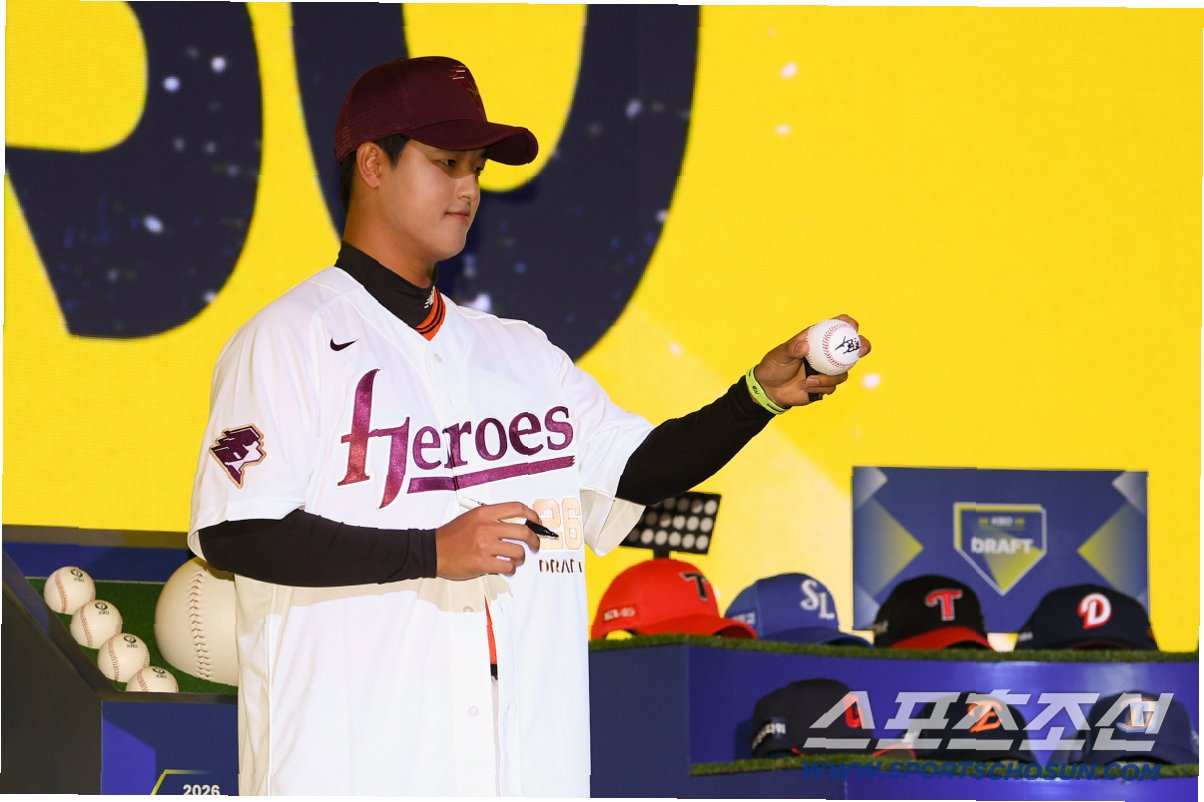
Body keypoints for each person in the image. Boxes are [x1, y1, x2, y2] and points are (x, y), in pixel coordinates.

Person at [188, 55, 870, 796]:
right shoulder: (289, 338)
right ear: (374, 164)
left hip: (524, 772)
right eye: (447, 162)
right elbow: (238, 531)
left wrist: (757, 398)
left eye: (477, 168)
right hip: (351, 770)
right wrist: (429, 551)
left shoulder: (521, 354)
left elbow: (639, 468)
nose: (468, 188)